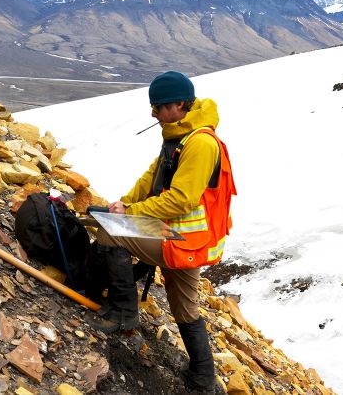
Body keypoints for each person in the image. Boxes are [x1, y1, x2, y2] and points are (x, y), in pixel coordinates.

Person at [88, 70, 236, 393]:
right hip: (182, 238)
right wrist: (125, 203)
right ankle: (203, 379)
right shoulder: (179, 134)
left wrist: (130, 214)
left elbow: (181, 199)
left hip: (179, 238)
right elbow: (153, 176)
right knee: (185, 307)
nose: (153, 112)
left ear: (180, 104)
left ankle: (123, 313)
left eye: (159, 106)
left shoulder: (200, 144)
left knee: (109, 233)